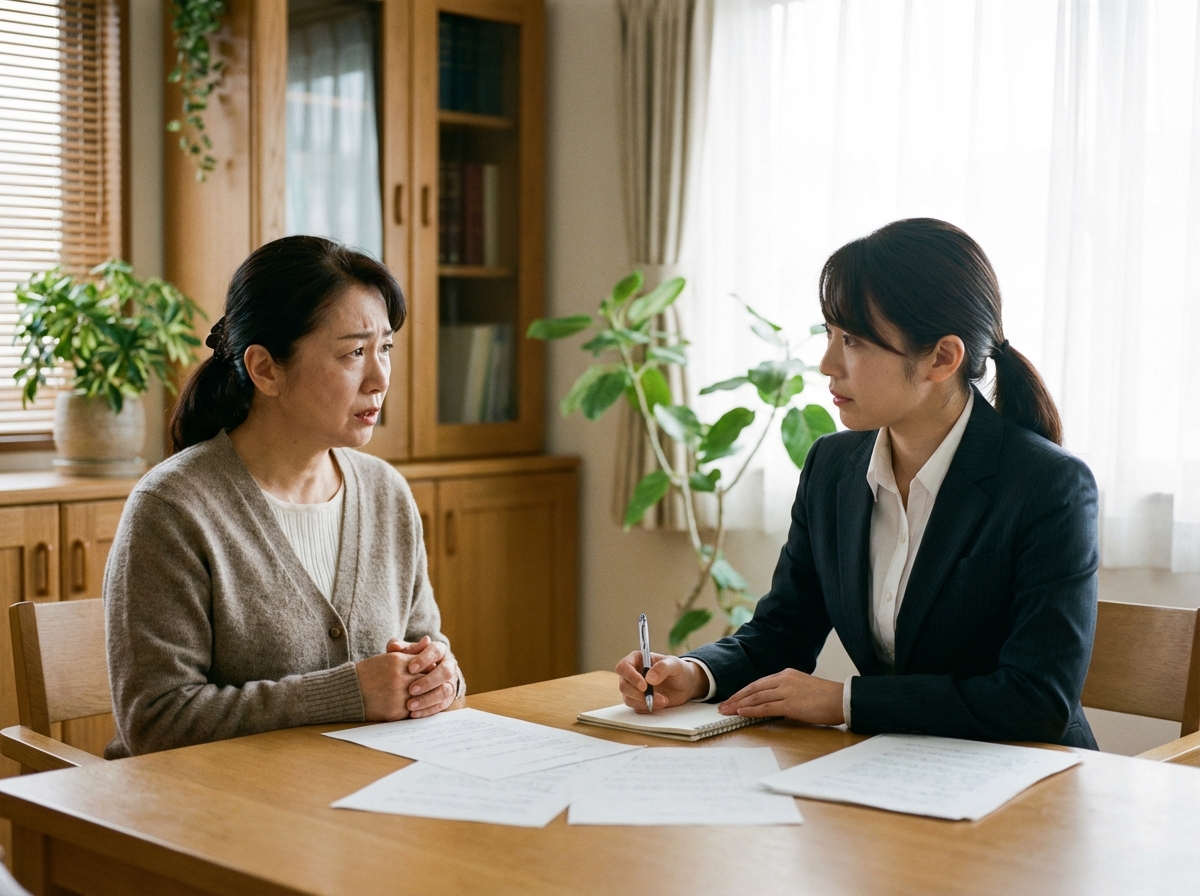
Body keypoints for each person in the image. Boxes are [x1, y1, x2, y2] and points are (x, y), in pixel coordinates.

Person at [617, 218, 1100, 748]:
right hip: (892, 767)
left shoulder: (1049, 485)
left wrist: (843, 702)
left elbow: (1037, 700)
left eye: (853, 341)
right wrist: (692, 673)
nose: (827, 364)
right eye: (829, 334)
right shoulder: (831, 466)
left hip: (1028, 779)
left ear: (942, 358)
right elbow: (782, 633)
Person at [104, 235, 462, 757]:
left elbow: (425, 648)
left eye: (385, 347)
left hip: (353, 803)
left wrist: (441, 680)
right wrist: (347, 694)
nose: (380, 377)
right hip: (213, 817)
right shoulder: (173, 508)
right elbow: (155, 721)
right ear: (266, 369)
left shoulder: (387, 493)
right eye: (354, 352)